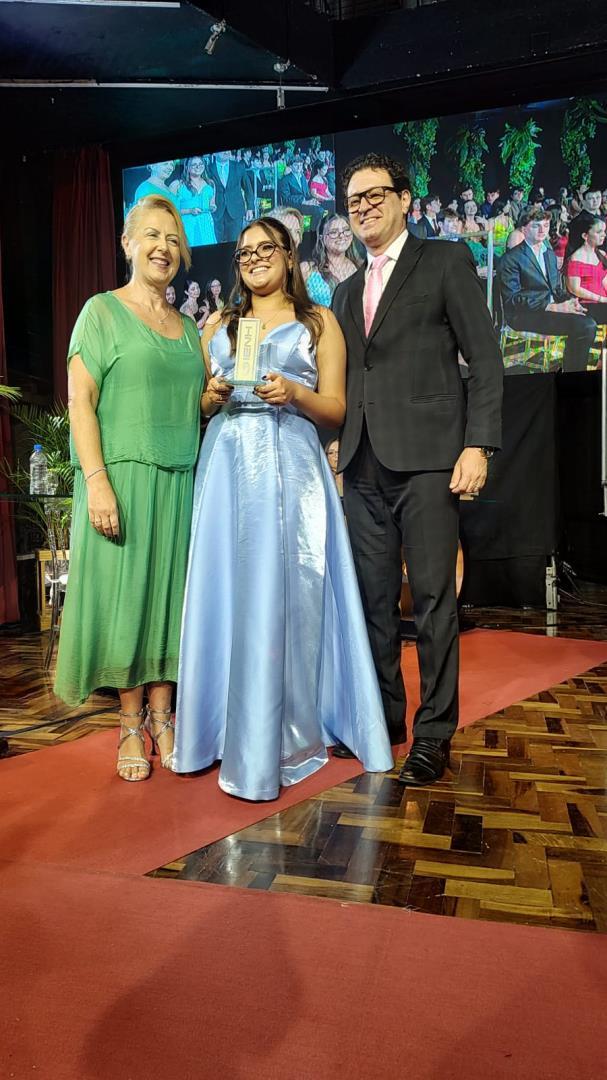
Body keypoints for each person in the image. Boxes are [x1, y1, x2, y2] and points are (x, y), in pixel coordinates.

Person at [173, 216, 393, 800]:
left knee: (292, 592)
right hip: (227, 465)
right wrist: (210, 397)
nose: (253, 259)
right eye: (244, 253)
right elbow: (200, 405)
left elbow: (337, 408)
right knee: (225, 590)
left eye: (265, 248)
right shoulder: (219, 323)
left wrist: (294, 393)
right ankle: (217, 730)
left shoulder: (319, 321)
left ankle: (291, 727)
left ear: (289, 255)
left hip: (292, 463)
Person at [331, 152, 503, 787]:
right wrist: (335, 445)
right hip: (361, 464)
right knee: (373, 602)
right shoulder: (344, 291)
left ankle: (434, 735)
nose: (364, 208)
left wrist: (478, 445)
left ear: (405, 199)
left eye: (376, 195)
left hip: (431, 462)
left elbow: (485, 359)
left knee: (432, 601)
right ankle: (385, 719)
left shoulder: (445, 261)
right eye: (354, 200)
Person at [54, 195, 204, 781]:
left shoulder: (189, 329)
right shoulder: (100, 312)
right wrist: (96, 482)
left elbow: (188, 404)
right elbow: (80, 402)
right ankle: (129, 724)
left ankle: (164, 718)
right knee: (128, 606)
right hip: (122, 481)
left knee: (169, 604)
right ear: (128, 243)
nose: (163, 247)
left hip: (180, 482)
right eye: (152, 235)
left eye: (172, 238)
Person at [499, 209, 597, 371]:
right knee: (586, 326)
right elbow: (513, 299)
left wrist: (570, 301)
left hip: (550, 309)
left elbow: (556, 288)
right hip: (524, 314)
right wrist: (552, 307)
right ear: (524, 230)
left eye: (545, 225)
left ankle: (572, 368)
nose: (542, 230)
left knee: (595, 315)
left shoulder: (549, 254)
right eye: (536, 226)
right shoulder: (511, 258)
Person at [303, 214, 364, 306]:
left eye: (346, 230)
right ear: (321, 238)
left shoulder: (362, 266)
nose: (341, 236)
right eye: (333, 232)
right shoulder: (307, 269)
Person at [565, 215, 607, 323]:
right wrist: (601, 299)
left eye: (604, 231)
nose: (604, 235)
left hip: (603, 303)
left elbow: (604, 281)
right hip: (586, 304)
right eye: (599, 232)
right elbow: (574, 289)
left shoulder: (601, 254)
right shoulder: (576, 258)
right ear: (585, 235)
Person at [208, 151, 254, 243]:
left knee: (235, 244)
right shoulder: (208, 169)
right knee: (216, 244)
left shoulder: (239, 167)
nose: (226, 152)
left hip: (236, 213)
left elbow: (248, 188)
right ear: (214, 154)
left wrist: (250, 208)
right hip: (216, 213)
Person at [173, 156, 216, 247]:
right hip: (187, 226)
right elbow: (172, 210)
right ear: (187, 167)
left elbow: (212, 204)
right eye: (194, 165)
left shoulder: (210, 183)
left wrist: (212, 207)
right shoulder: (178, 185)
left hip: (206, 226)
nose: (198, 167)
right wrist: (190, 211)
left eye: (200, 164)